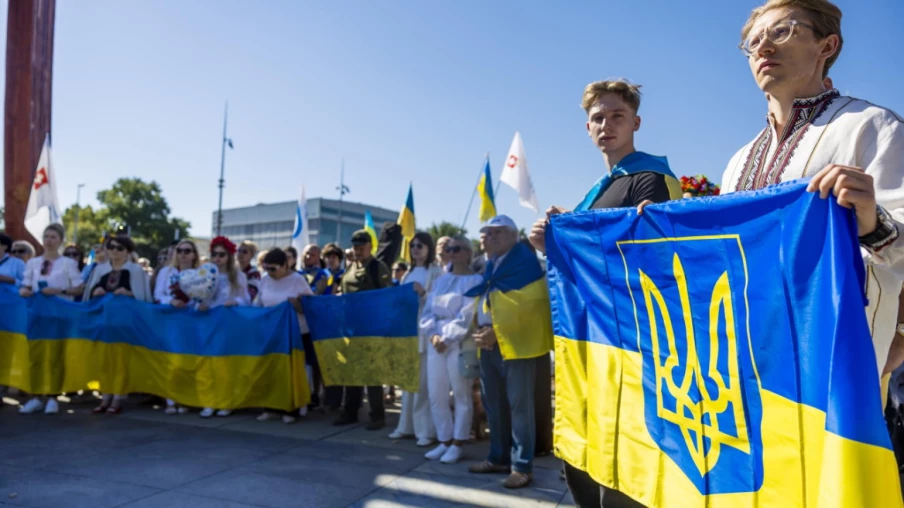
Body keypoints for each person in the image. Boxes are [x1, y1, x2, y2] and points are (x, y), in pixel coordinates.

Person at [722, 0, 904, 392]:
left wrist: (872, 220)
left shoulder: (871, 126)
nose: (764, 48)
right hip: (750, 371)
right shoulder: (737, 162)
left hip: (836, 366)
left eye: (782, 31)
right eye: (753, 41)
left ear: (827, 46)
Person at [527, 78, 682, 507]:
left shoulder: (649, 179)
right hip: (592, 342)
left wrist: (571, 234)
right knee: (587, 449)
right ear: (587, 127)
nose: (606, 125)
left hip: (631, 343)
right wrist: (555, 239)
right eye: (598, 117)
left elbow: (650, 255)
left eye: (617, 116)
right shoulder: (600, 189)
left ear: (636, 122)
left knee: (625, 463)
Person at [465, 216, 553, 490]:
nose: (489, 237)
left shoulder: (525, 263)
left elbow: (533, 304)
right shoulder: (491, 265)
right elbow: (488, 299)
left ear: (515, 236)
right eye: (487, 233)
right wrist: (479, 331)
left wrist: (497, 329)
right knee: (494, 404)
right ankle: (498, 457)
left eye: (497, 233)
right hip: (490, 344)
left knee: (519, 406)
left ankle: (522, 466)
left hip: (517, 344)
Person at [420, 235, 483, 464]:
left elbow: (467, 313)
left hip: (459, 342)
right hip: (436, 342)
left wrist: (447, 337)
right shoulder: (440, 280)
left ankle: (458, 442)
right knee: (436, 393)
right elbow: (428, 310)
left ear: (468, 252)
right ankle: (444, 440)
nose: (452, 252)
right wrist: (433, 334)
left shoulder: (476, 280)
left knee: (461, 394)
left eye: (457, 248)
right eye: (449, 249)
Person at [18, 224, 84, 415]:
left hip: (59, 315)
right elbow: (26, 284)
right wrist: (25, 290)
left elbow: (79, 288)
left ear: (60, 240)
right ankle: (36, 395)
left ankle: (53, 396)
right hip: (37, 315)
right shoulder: (33, 263)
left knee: (55, 356)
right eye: (46, 236)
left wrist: (58, 291)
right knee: (35, 355)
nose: (49, 240)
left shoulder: (67, 263)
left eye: (53, 237)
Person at [84, 234, 152, 414]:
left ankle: (118, 398)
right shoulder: (99, 269)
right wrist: (96, 291)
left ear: (128, 252)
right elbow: (89, 294)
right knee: (104, 360)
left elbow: (143, 297)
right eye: (112, 247)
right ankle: (105, 396)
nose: (115, 251)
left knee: (121, 360)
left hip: (124, 324)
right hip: (103, 323)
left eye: (120, 248)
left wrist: (128, 293)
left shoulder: (135, 271)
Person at [333, 229, 392, 429]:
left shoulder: (378, 267)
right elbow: (344, 289)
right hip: (350, 327)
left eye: (362, 247)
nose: (358, 251)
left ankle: (377, 416)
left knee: (371, 373)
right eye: (355, 247)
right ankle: (350, 412)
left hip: (371, 327)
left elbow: (385, 296)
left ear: (370, 247)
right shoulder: (350, 267)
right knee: (352, 372)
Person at [389, 232, 443, 446]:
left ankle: (424, 431)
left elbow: (440, 301)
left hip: (425, 333)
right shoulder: (408, 273)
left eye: (420, 245)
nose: (416, 249)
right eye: (413, 245)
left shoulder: (436, 272)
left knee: (422, 384)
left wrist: (423, 294)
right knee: (407, 382)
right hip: (407, 333)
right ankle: (405, 426)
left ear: (429, 248)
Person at [254, 248, 315, 424]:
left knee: (291, 372)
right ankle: (270, 407)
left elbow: (311, 307)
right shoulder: (265, 280)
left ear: (285, 265)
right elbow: (258, 304)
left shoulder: (298, 281)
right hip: (271, 334)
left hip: (294, 334)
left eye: (273, 268)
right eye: (266, 268)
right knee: (271, 370)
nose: (269, 272)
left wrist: (297, 305)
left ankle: (291, 409)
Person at [197, 236, 250, 418]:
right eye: (214, 254)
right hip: (208, 323)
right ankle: (209, 401)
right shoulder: (204, 274)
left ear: (228, 256)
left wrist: (234, 301)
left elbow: (247, 300)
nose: (217, 258)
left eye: (221, 254)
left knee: (225, 365)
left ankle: (226, 401)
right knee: (208, 364)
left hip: (227, 325)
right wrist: (199, 305)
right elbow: (196, 298)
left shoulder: (238, 276)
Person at [153, 239, 200, 414]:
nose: (183, 254)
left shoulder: (200, 273)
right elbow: (158, 294)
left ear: (194, 254)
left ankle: (185, 399)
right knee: (170, 360)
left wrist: (195, 304)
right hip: (170, 320)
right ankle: (170, 400)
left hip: (191, 322)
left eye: (187, 250)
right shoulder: (166, 272)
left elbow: (204, 296)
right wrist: (171, 301)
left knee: (188, 360)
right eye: (179, 250)